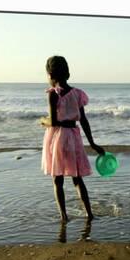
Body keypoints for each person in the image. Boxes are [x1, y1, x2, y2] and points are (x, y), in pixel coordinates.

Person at [40, 55, 105, 222]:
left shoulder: (53, 94)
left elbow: (53, 121)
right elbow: (83, 120)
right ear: (68, 74)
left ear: (50, 75)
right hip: (74, 137)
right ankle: (89, 214)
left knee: (58, 179)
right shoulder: (78, 94)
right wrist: (92, 143)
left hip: (58, 138)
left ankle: (64, 216)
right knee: (77, 179)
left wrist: (43, 120)